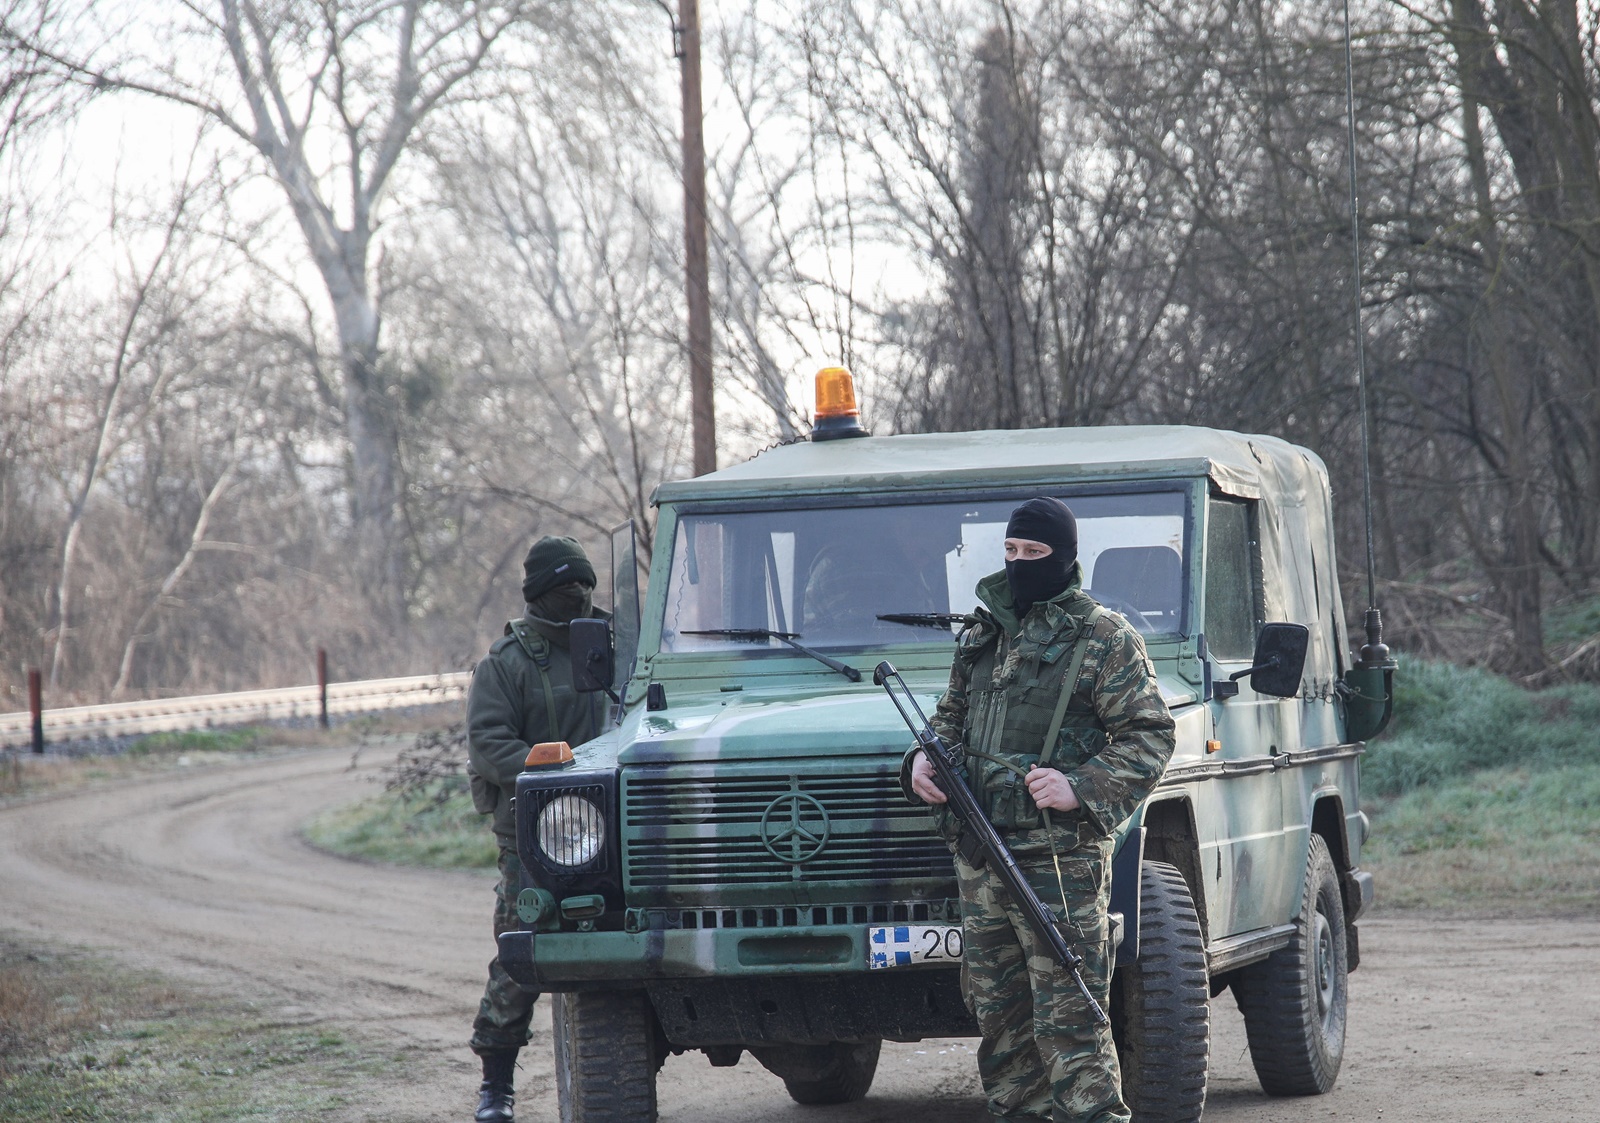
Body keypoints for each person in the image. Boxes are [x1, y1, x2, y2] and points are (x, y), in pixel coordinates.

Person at [902, 497, 1175, 1123]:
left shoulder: (1102, 638)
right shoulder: (983, 635)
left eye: (1034, 553)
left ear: (1065, 557)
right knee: (1000, 1024)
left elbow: (1150, 734)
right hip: (981, 855)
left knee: (1071, 1018)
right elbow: (949, 723)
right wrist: (918, 765)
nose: (1020, 564)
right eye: (1010, 552)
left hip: (1059, 861)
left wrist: (1082, 785)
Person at [465, 536, 608, 1123]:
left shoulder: (615, 647)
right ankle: (495, 1085)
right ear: (538, 595)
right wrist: (555, 776)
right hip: (534, 834)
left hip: (614, 826)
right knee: (521, 953)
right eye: (562, 589)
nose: (575, 597)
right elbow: (490, 745)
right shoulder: (508, 664)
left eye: (582, 586)